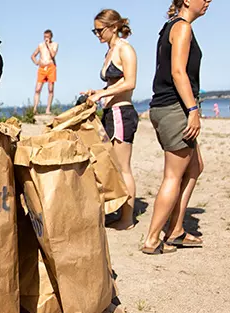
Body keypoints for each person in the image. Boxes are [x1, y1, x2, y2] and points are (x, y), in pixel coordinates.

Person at [142, 0, 211, 255]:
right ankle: (151, 239)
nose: (208, 1)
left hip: (166, 107)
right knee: (173, 175)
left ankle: (176, 230)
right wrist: (193, 110)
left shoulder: (170, 26)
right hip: (175, 108)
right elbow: (178, 72)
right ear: (186, 1)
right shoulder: (181, 27)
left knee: (195, 166)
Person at [85, 9, 138, 230]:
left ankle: (127, 218)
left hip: (121, 113)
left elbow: (130, 82)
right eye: (94, 31)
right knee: (112, 166)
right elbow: (114, 84)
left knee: (123, 167)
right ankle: (119, 211)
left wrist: (102, 94)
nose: (97, 34)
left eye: (100, 30)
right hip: (110, 113)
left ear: (113, 27)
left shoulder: (125, 49)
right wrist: (97, 91)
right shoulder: (110, 50)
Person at [31, 30, 58, 115]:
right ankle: (35, 109)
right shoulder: (40, 45)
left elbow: (53, 55)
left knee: (50, 89)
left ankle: (48, 109)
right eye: (45, 37)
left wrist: (48, 45)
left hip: (51, 66)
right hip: (42, 68)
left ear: (51, 37)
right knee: (37, 89)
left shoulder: (54, 45)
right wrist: (37, 62)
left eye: (47, 37)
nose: (46, 38)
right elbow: (33, 55)